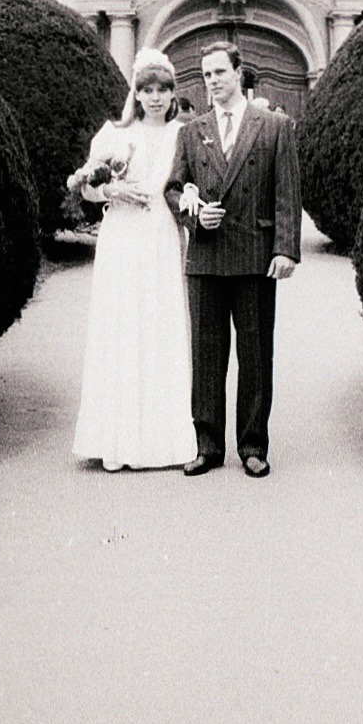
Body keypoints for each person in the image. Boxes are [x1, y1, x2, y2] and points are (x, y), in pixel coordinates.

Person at [164, 40, 302, 478]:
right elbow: (172, 188)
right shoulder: (191, 130)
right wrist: (193, 215)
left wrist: (285, 249)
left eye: (219, 73)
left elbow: (286, 193)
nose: (212, 82)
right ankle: (207, 445)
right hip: (205, 256)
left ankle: (253, 446)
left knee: (256, 354)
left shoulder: (273, 125)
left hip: (256, 255)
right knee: (207, 355)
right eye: (205, 75)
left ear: (239, 73)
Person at [71, 49, 197, 472]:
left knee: (160, 325)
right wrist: (112, 191)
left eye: (163, 90)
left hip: (162, 236)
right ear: (137, 93)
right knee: (122, 325)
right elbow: (84, 185)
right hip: (123, 237)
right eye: (147, 89)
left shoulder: (186, 134)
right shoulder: (114, 134)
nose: (155, 97)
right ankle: (114, 436)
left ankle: (161, 439)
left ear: (173, 93)